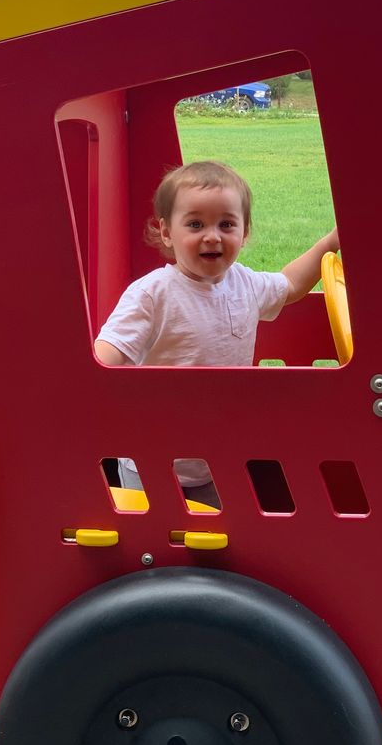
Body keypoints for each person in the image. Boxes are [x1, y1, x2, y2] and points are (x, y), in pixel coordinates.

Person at [94, 159, 339, 508]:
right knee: (153, 545)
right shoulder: (152, 293)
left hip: (220, 461)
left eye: (226, 224)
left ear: (245, 232)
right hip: (150, 464)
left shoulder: (246, 283)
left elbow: (292, 285)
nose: (212, 235)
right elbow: (107, 354)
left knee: (215, 542)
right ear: (167, 232)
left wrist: (330, 242)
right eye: (195, 224)